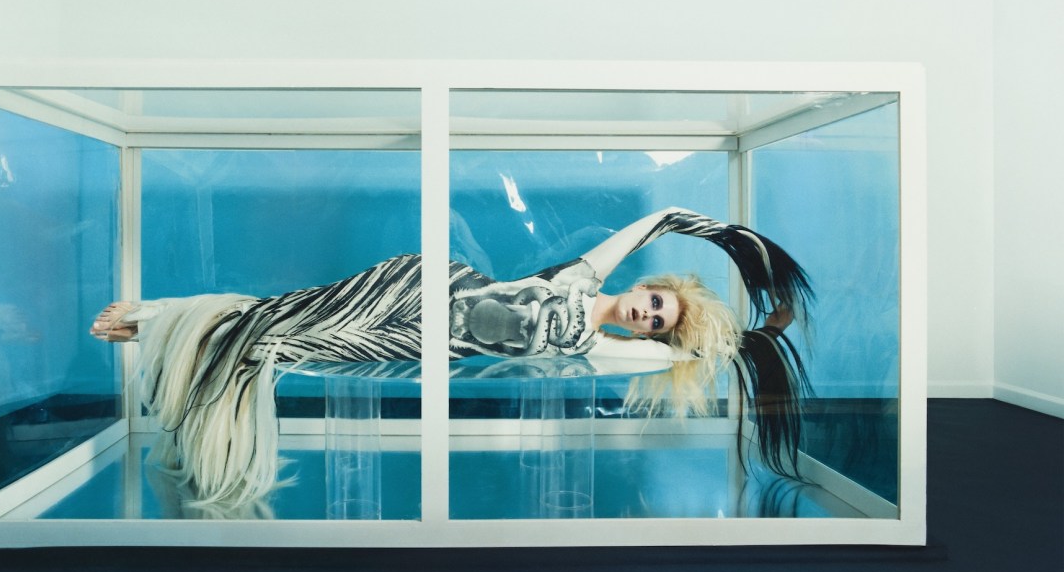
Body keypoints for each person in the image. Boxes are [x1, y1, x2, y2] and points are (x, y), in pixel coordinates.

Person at [90, 207, 812, 509]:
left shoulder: (601, 352)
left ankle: (166, 329)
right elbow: (656, 219)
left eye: (658, 322)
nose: (647, 312)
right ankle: (156, 315)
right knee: (290, 308)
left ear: (654, 335)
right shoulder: (582, 278)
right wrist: (741, 244)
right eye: (655, 300)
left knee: (282, 343)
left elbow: (679, 361)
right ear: (645, 286)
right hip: (420, 282)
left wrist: (755, 337)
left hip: (422, 340)